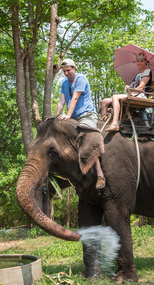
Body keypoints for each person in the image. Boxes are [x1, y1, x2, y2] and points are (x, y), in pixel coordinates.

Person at [56, 59, 106, 189]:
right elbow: (62, 101)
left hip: (86, 116)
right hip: (73, 118)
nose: (66, 73)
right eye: (64, 71)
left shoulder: (81, 79)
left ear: (74, 68)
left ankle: (100, 174)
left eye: (68, 70)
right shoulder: (64, 83)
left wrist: (67, 115)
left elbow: (75, 98)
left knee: (88, 141)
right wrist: (56, 117)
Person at [100, 53, 152, 132]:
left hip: (140, 95)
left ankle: (115, 124)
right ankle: (102, 124)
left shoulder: (147, 72)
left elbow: (141, 87)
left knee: (115, 97)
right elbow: (133, 87)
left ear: (146, 62)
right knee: (104, 101)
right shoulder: (138, 74)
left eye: (141, 61)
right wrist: (128, 87)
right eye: (137, 61)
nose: (139, 63)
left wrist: (131, 91)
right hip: (133, 93)